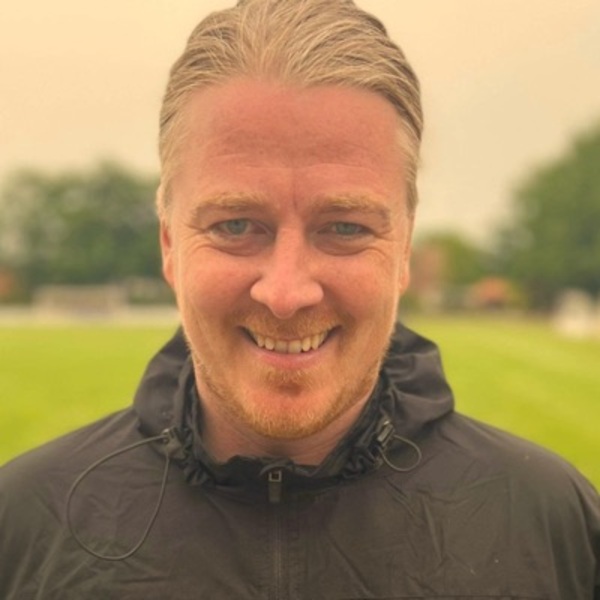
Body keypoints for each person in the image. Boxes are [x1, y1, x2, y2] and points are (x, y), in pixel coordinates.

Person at [1, 0, 598, 597]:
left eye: (345, 228)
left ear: (404, 250)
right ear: (169, 244)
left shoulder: (553, 528)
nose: (286, 294)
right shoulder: (24, 528)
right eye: (236, 226)